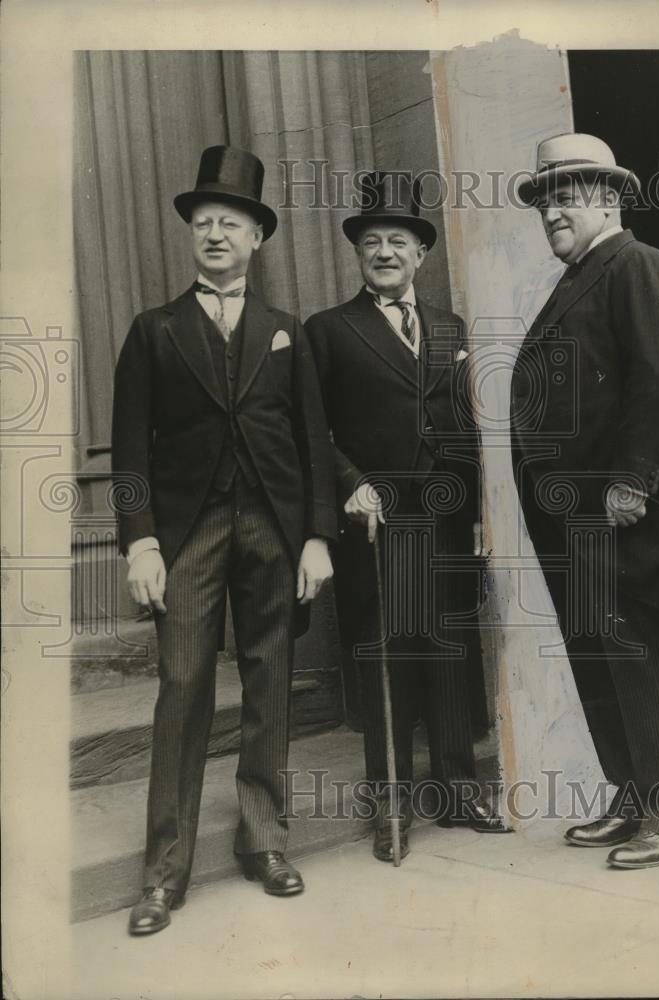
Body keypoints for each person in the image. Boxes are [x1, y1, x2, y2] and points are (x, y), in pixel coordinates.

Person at [112, 146, 336, 935]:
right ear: (192, 237)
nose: (215, 233)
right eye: (203, 222)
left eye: (230, 222)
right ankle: (163, 872)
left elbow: (312, 440)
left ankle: (265, 840)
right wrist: (140, 544)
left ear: (257, 238)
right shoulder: (154, 331)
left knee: (271, 679)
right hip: (189, 535)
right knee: (183, 688)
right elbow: (130, 453)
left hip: (274, 530)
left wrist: (316, 536)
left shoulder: (287, 332)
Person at [512, 134, 659, 870]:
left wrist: (631, 483)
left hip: (618, 510)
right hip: (572, 516)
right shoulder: (578, 277)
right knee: (599, 660)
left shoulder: (636, 264)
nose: (552, 209)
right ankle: (632, 798)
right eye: (545, 197)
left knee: (639, 656)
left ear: (609, 198)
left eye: (568, 193)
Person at [305, 172, 510, 863]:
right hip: (379, 519)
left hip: (448, 515)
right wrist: (352, 485)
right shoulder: (330, 331)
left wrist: (482, 514)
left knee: (450, 644)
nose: (385, 252)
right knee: (388, 649)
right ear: (358, 253)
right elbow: (314, 432)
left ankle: (457, 788)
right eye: (373, 242)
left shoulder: (450, 326)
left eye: (398, 241)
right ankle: (390, 803)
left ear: (421, 253)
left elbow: (470, 426)